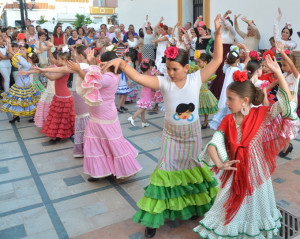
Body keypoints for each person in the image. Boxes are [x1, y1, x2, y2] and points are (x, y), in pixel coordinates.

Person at [102, 14, 223, 238]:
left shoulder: (196, 79)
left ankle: (194, 207)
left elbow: (216, 61)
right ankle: (153, 219)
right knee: (165, 171)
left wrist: (216, 34)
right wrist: (122, 64)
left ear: (187, 68)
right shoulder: (163, 83)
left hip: (192, 136)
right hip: (172, 136)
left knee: (191, 172)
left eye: (175, 69)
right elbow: (138, 78)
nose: (170, 72)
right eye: (168, 68)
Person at [193, 55, 298, 239]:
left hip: (257, 171)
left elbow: (287, 106)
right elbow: (214, 143)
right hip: (234, 170)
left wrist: (279, 74)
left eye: (230, 98)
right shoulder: (228, 120)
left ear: (244, 100)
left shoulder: (262, 115)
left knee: (256, 203)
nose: (226, 102)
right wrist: (220, 163)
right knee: (226, 205)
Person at [67, 50, 142, 181]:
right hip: (100, 112)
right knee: (98, 141)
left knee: (105, 141)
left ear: (110, 63)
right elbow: (94, 73)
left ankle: (117, 170)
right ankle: (102, 170)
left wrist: (79, 70)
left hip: (103, 114)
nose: (100, 63)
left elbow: (92, 80)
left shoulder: (109, 77)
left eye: (102, 61)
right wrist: (90, 62)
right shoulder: (111, 75)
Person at [38, 52, 75, 144]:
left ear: (64, 61)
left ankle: (58, 136)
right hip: (59, 95)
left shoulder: (65, 70)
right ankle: (58, 136)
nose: (57, 61)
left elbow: (52, 78)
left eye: (58, 59)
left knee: (62, 118)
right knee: (58, 117)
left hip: (64, 96)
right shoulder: (61, 68)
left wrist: (44, 72)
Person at [210, 47, 248, 130]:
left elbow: (225, 63)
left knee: (225, 109)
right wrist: (245, 49)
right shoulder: (238, 69)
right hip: (234, 91)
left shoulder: (226, 69)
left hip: (226, 92)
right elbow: (248, 58)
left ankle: (223, 126)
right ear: (238, 60)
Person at [1, 44, 40, 123]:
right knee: (20, 101)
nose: (27, 57)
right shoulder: (28, 64)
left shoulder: (27, 64)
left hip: (22, 86)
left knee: (24, 101)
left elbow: (18, 57)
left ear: (30, 59)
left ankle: (33, 116)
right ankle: (16, 117)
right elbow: (18, 59)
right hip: (20, 85)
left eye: (28, 57)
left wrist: (17, 52)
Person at [276, 42, 300, 157]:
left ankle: (287, 145)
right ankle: (286, 144)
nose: (283, 67)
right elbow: (276, 82)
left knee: (287, 124)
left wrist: (282, 53)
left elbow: (291, 64)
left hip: (291, 103)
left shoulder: (296, 76)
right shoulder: (284, 75)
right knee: (283, 124)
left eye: (285, 65)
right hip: (283, 102)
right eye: (282, 65)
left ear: (291, 65)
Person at [210, 10, 236, 98]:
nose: (226, 26)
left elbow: (228, 24)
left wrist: (225, 17)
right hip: (219, 53)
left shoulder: (232, 33)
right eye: (225, 25)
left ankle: (223, 94)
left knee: (223, 72)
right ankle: (216, 92)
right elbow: (220, 23)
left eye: (227, 25)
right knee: (218, 72)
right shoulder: (223, 33)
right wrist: (225, 14)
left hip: (227, 55)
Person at [127, 59, 154, 127]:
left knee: (143, 107)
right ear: (148, 69)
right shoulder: (148, 76)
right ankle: (132, 117)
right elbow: (151, 85)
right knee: (143, 108)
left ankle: (143, 122)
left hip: (144, 92)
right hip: (147, 93)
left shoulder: (142, 75)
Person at [196, 52, 218, 129]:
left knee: (206, 108)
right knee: (197, 108)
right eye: (197, 62)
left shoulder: (207, 70)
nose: (198, 64)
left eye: (199, 62)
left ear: (205, 62)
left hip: (204, 92)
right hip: (197, 92)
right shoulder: (197, 69)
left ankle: (205, 121)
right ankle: (196, 121)